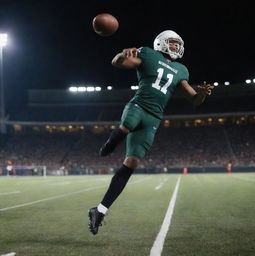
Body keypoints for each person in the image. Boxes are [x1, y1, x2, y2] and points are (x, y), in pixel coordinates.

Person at [88, 30, 214, 235]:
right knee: (127, 125)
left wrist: (202, 93)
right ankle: (111, 143)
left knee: (132, 163)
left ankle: (99, 210)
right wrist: (123, 54)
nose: (175, 47)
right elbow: (117, 63)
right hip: (139, 105)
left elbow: (194, 99)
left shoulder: (181, 70)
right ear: (161, 43)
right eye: (171, 43)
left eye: (177, 44)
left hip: (154, 118)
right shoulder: (148, 54)